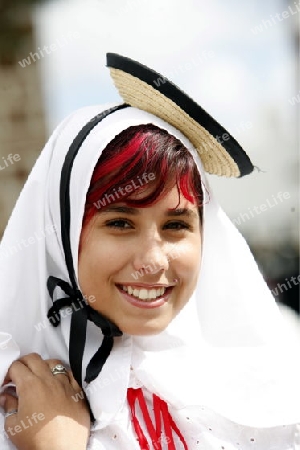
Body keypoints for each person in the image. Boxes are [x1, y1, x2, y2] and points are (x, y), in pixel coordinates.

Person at [0, 53, 299, 450]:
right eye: (120, 223)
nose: (154, 261)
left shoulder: (273, 384)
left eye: (176, 225)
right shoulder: (15, 407)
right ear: (61, 235)